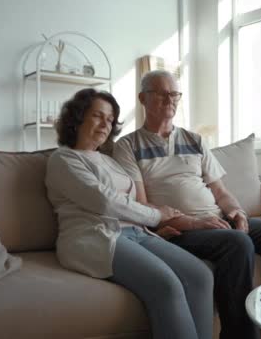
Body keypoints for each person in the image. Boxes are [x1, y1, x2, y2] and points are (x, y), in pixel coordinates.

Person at [113, 70, 261, 339]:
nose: (169, 100)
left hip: (219, 220)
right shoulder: (128, 145)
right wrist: (194, 222)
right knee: (237, 243)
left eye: (174, 94)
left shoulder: (194, 141)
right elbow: (143, 207)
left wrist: (237, 212)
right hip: (178, 230)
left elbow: (220, 191)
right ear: (142, 98)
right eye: (161, 94)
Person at [45, 88, 213, 339]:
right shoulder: (64, 159)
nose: (106, 124)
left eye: (110, 119)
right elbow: (104, 201)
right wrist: (157, 217)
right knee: (166, 285)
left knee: (200, 276)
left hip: (135, 232)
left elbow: (132, 202)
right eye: (97, 116)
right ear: (77, 118)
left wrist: (154, 226)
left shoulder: (109, 161)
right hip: (94, 236)